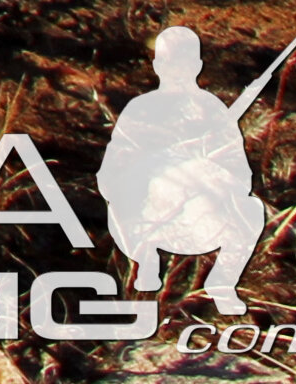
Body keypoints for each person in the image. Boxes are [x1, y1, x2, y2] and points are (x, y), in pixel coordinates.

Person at [102, 23, 275, 314]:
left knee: (252, 210)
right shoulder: (139, 109)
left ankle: (222, 284)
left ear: (197, 65)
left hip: (201, 214)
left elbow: (240, 177)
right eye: (169, 62)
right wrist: (154, 163)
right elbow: (111, 174)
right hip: (148, 216)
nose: (176, 70)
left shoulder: (214, 109)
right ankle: (144, 269)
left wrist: (208, 163)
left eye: (183, 62)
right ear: (157, 65)